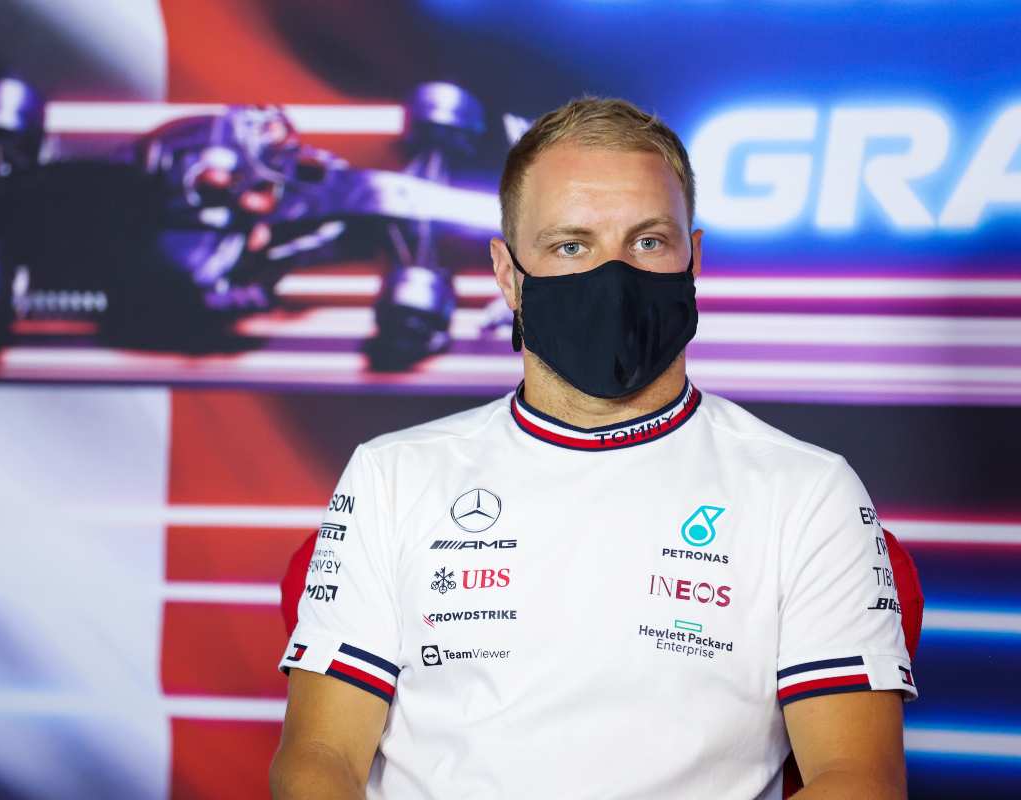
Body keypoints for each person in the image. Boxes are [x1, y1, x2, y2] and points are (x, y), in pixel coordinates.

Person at [270, 97, 917, 799]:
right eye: (570, 245)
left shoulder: (807, 491)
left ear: (694, 258)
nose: (613, 276)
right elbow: (321, 758)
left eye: (647, 242)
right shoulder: (392, 476)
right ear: (508, 274)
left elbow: (858, 780)